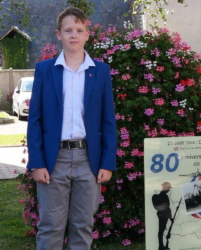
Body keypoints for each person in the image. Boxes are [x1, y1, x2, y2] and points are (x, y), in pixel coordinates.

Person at [27, 7, 117, 250]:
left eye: (79, 30)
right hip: (54, 159)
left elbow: (108, 121)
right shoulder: (45, 70)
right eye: (68, 30)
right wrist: (37, 162)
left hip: (89, 160)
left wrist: (107, 163)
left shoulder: (101, 72)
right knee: (51, 226)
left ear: (87, 34)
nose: (74, 35)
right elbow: (35, 119)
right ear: (59, 34)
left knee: (82, 225)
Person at [152, 182, 173, 250]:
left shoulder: (162, 195)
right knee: (161, 230)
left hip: (162, 214)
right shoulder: (164, 196)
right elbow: (167, 207)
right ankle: (161, 246)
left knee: (161, 230)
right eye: (168, 188)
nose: (169, 190)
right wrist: (170, 217)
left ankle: (161, 246)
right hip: (164, 215)